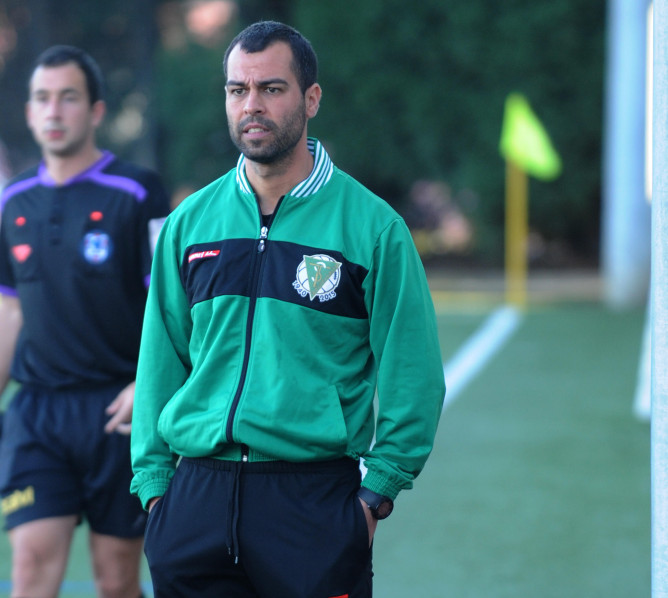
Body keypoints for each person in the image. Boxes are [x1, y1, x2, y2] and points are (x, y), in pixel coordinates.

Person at [130, 21, 445, 598]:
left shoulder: (374, 228)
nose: (252, 105)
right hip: (194, 500)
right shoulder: (189, 224)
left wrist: (375, 496)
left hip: (312, 504)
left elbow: (413, 372)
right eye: (237, 90)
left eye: (271, 89)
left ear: (311, 98)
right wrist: (156, 487)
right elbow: (160, 361)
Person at [0, 44, 170, 598]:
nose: (54, 111)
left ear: (96, 111)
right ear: (30, 111)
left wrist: (147, 385)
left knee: (115, 579)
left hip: (117, 415)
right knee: (30, 567)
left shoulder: (138, 191)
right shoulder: (15, 199)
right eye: (42, 99)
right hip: (36, 413)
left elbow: (170, 306)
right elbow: (10, 309)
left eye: (68, 98)